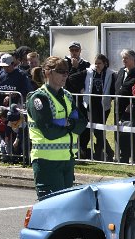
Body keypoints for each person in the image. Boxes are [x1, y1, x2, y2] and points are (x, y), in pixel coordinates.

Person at [25, 57, 88, 198]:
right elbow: (49, 132)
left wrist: (67, 123)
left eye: (67, 71)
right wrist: (71, 127)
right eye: (60, 71)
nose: (65, 75)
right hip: (47, 163)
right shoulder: (39, 98)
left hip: (67, 161)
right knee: (51, 210)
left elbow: (82, 124)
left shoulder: (67, 96)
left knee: (65, 209)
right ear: (47, 72)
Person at [83, 54, 115, 161]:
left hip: (103, 105)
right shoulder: (89, 71)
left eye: (99, 63)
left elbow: (114, 87)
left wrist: (111, 97)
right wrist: (82, 90)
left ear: (104, 63)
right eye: (96, 63)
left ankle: (101, 153)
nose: (97, 65)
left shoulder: (110, 73)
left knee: (99, 129)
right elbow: (73, 77)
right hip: (91, 105)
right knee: (96, 129)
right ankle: (107, 152)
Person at [113, 49, 135, 164]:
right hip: (119, 107)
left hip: (131, 108)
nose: (123, 60)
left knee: (133, 133)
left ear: (133, 59)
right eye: (123, 58)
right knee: (120, 132)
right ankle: (123, 156)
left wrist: (133, 103)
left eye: (126, 58)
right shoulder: (121, 71)